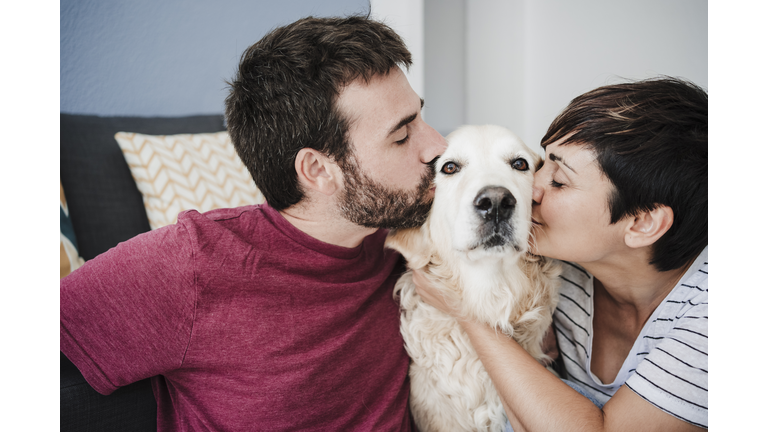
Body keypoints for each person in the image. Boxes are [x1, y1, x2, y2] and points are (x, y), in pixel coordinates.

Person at [60, 16, 445, 431]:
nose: (438, 145)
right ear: (317, 170)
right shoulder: (190, 265)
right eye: (402, 136)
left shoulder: (410, 231)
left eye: (420, 118)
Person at [413, 77, 708, 431]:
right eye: (541, 163)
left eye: (559, 181)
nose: (527, 190)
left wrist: (466, 314)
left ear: (641, 223)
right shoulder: (557, 271)